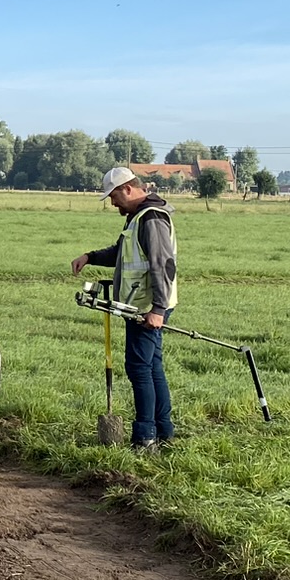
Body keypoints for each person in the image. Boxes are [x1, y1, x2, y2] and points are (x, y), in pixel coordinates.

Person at [71, 166, 178, 452]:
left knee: (139, 369)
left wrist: (157, 308)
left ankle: (145, 438)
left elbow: (162, 265)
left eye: (113, 196)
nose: (112, 203)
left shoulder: (151, 219)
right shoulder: (136, 218)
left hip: (147, 308)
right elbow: (121, 253)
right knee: (152, 368)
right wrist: (90, 257)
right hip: (139, 306)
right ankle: (163, 431)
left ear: (128, 189)